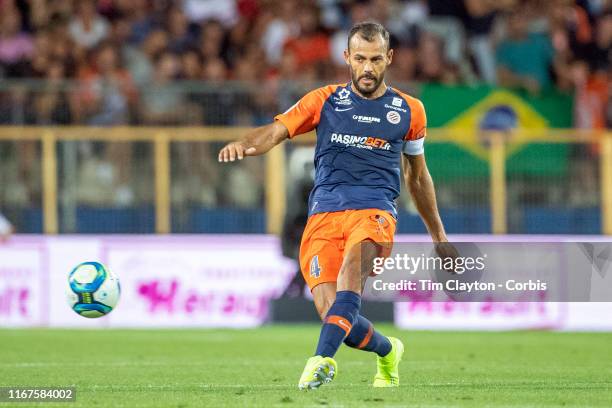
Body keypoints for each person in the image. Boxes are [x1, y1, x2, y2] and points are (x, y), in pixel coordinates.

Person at [218, 22, 453, 390]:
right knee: (335, 315)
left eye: (376, 59)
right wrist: (245, 143)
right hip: (324, 215)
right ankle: (388, 350)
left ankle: (320, 361)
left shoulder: (410, 111)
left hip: (374, 212)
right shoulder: (324, 100)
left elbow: (418, 178)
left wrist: (439, 236)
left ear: (389, 58)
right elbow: (276, 131)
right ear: (347, 58)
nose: (368, 68)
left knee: (349, 284)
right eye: (360, 58)